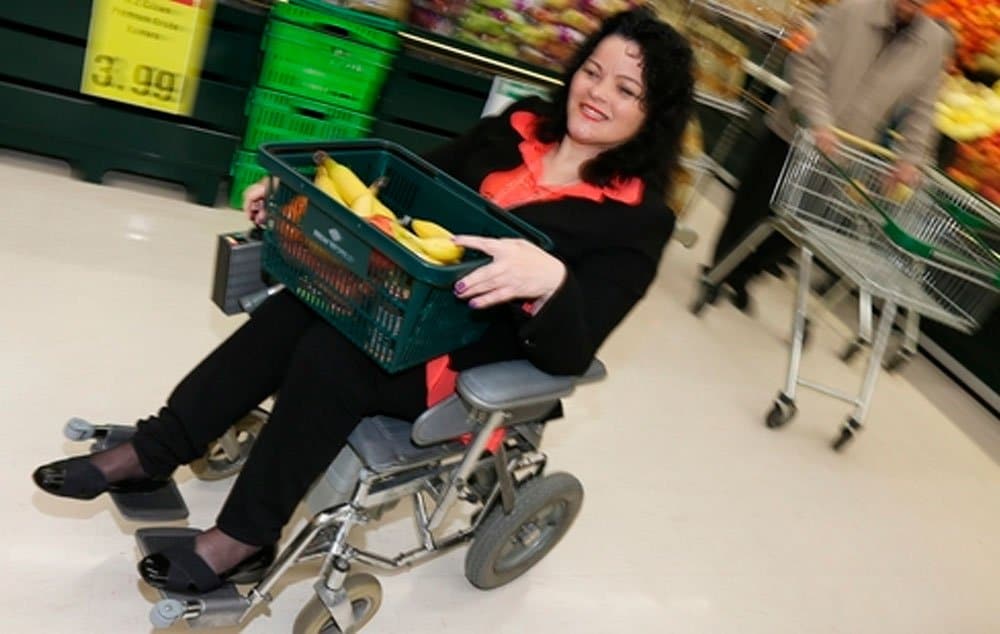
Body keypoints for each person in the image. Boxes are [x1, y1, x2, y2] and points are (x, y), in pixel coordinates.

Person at [31, 8, 694, 594]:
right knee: (296, 307)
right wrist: (300, 199)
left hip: (458, 366)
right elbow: (393, 190)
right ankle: (154, 451)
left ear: (652, 116)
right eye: (594, 71)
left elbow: (573, 350)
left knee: (329, 353)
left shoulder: (635, 222)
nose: (598, 93)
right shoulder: (508, 130)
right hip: (390, 306)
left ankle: (245, 538)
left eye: (626, 88)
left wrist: (552, 282)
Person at [706, 0, 952, 311]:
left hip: (845, 153)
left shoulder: (933, 44)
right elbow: (806, 66)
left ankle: (744, 275)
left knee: (796, 228)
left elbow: (923, 110)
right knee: (753, 206)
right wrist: (819, 122)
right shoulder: (852, 10)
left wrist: (911, 158)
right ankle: (718, 270)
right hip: (795, 131)